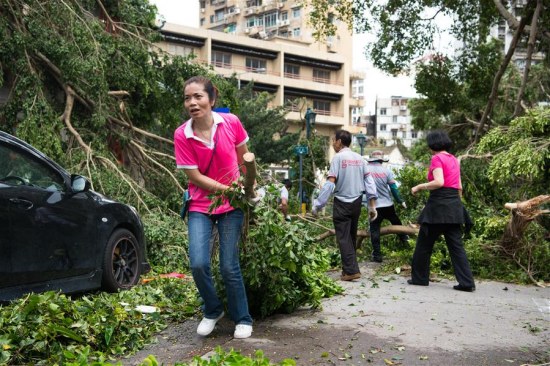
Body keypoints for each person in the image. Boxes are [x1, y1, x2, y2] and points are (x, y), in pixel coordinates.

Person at [174, 76, 253, 339]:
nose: (193, 103)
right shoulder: (182, 134)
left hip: (232, 205)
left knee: (229, 266)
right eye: (188, 98)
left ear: (212, 99)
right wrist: (228, 189)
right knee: (198, 263)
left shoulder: (230, 123)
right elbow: (194, 177)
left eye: (198, 96)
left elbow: (245, 158)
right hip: (200, 204)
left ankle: (242, 317)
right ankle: (213, 309)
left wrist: (249, 188)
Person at [408, 130, 476, 292]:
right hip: (453, 207)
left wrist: (419, 186)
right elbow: (459, 187)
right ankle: (467, 283)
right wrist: (457, 206)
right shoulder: (454, 159)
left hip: (438, 208)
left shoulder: (437, 158)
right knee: (456, 247)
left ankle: (420, 278)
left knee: (424, 245)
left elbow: (439, 182)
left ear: (433, 144)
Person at [312, 129, 378, 281]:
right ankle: (349, 269)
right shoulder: (360, 158)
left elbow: (330, 184)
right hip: (356, 202)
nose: (333, 144)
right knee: (350, 236)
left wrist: (318, 204)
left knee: (343, 237)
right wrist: (372, 206)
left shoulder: (338, 158)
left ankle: (351, 271)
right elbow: (369, 183)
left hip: (342, 202)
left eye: (333, 140)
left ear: (339, 142)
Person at [364, 150, 409, 263]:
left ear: (371, 159)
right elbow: (394, 188)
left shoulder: (366, 170)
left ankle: (377, 256)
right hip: (388, 205)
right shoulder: (386, 171)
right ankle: (407, 243)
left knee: (374, 230)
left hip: (373, 206)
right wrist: (401, 201)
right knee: (397, 223)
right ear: (381, 160)